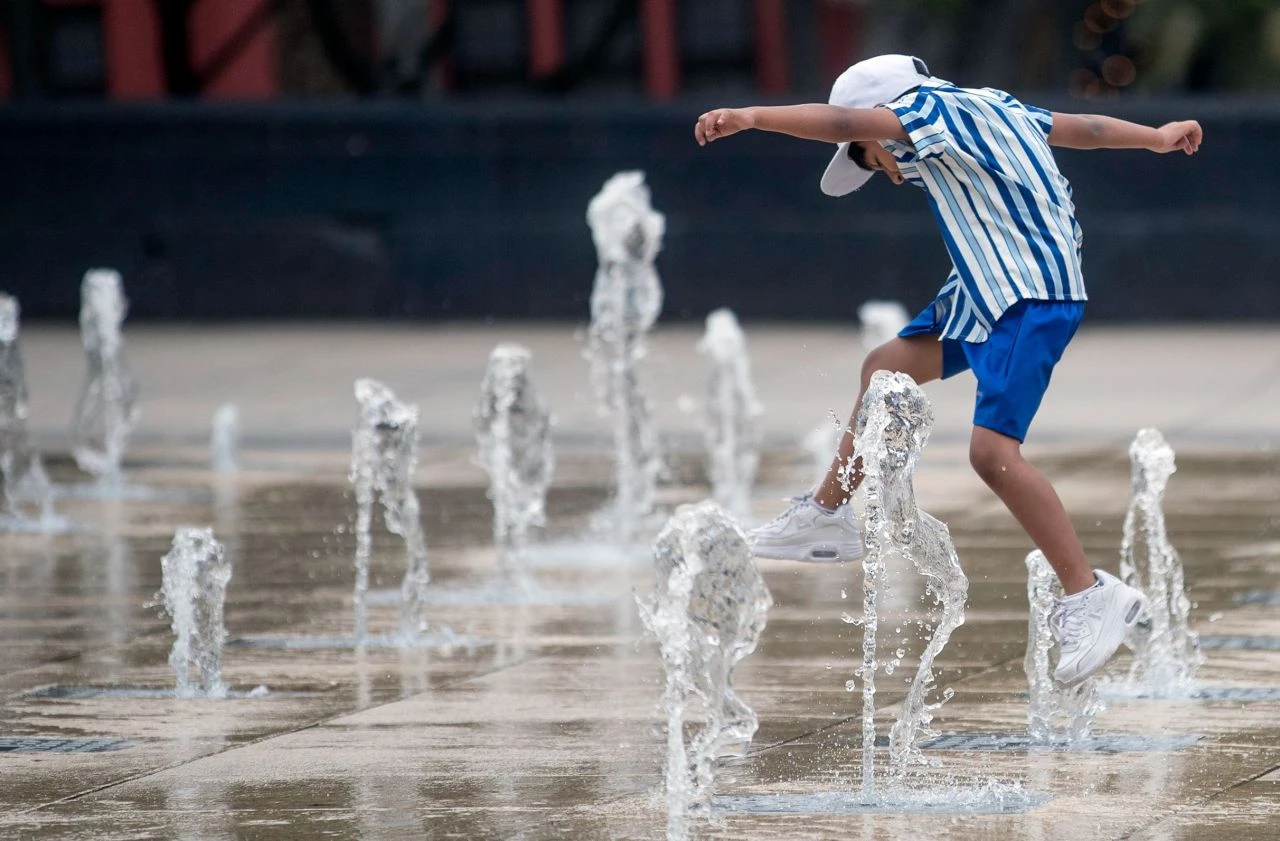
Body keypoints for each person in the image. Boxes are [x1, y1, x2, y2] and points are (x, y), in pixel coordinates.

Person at [693, 54, 1202, 687]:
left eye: (863, 157)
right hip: (986, 289)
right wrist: (1154, 137)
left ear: (884, 125)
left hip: (1028, 298)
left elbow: (842, 118)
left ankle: (1090, 593)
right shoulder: (998, 105)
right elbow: (1084, 130)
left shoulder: (927, 110)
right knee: (886, 369)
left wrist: (750, 116)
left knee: (993, 456)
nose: (879, 171)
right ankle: (826, 516)